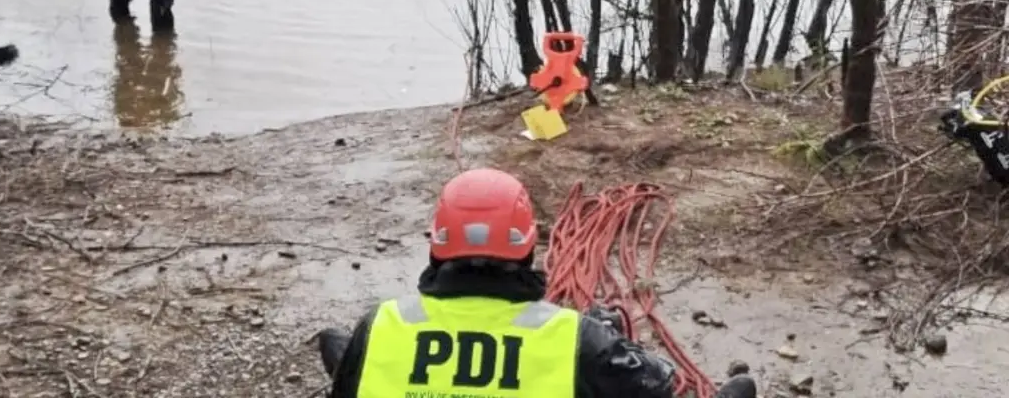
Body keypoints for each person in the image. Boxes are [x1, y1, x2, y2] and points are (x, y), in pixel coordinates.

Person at [319, 167, 759, 398]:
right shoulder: (573, 337)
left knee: (345, 351)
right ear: (527, 245)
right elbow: (657, 386)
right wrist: (607, 337)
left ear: (437, 245)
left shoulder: (381, 326)